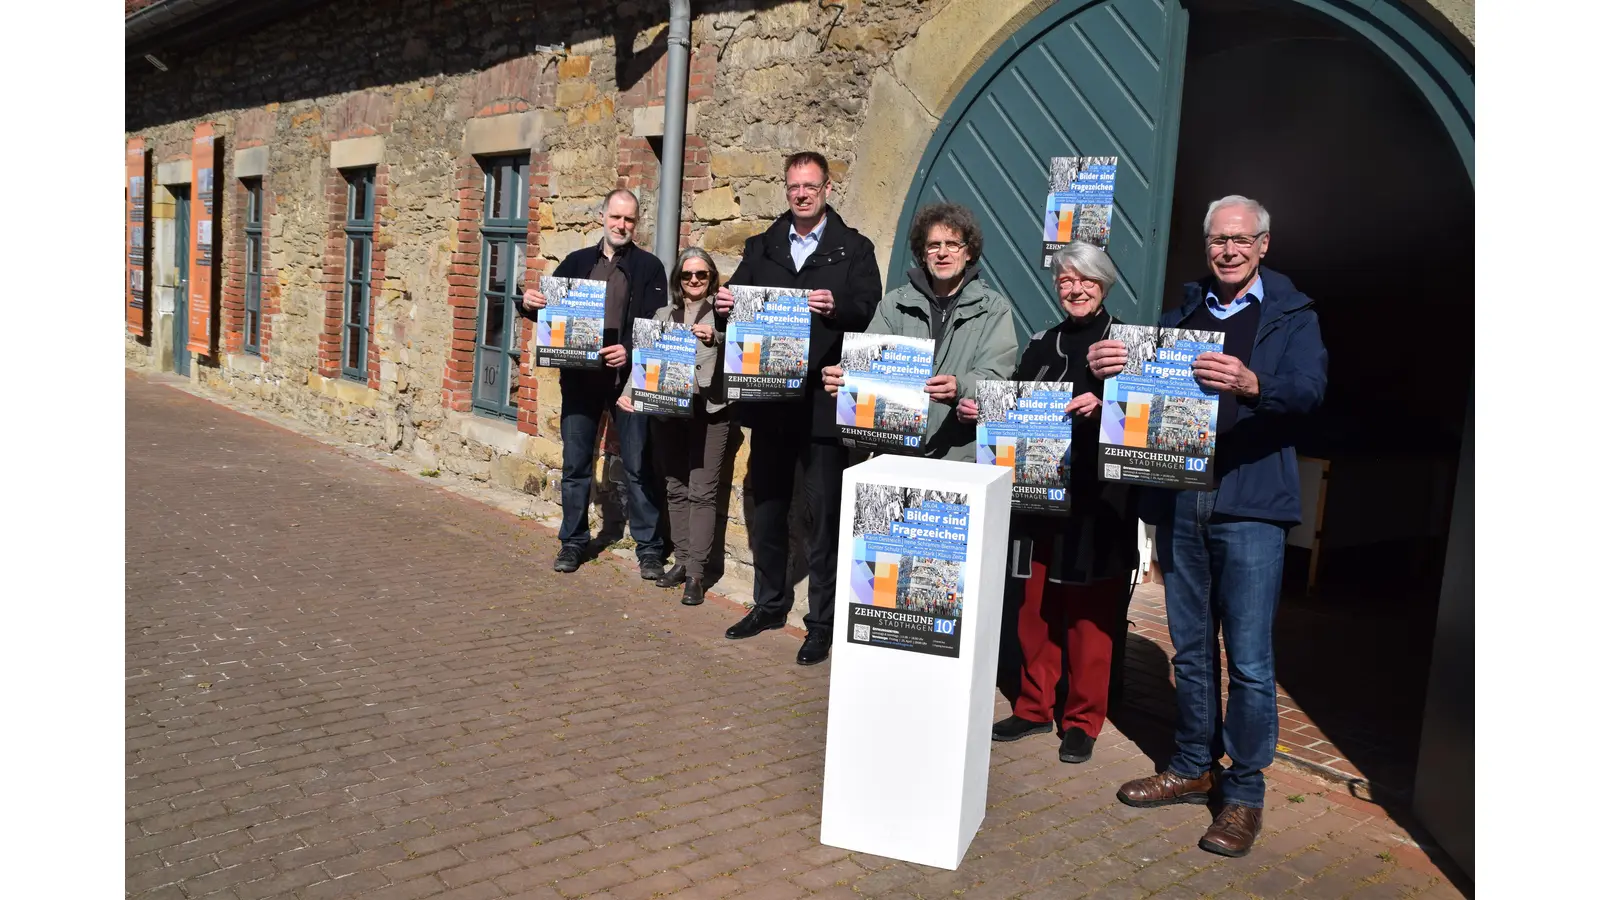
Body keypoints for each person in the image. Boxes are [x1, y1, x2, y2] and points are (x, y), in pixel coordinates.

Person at [1098, 196, 1327, 858]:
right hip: (1184, 497)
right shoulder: (1184, 316)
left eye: (1240, 240)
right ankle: (1193, 765)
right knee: (1191, 649)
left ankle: (1245, 794)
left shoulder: (1292, 315)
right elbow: (1148, 398)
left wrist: (1254, 383)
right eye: (1218, 241)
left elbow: (1310, 390)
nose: (1228, 250)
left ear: (1263, 245)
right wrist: (1114, 371)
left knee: (1249, 659)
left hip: (1252, 504)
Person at [955, 241, 1139, 765]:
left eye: (1086, 280)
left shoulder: (1128, 345)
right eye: (1065, 281)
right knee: (1034, 611)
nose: (1075, 289)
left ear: (1104, 284)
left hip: (1098, 501)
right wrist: (983, 412)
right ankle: (1034, 706)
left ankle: (1082, 720)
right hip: (1037, 499)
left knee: (1089, 617)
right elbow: (1014, 405)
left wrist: (1109, 407)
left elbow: (1148, 415)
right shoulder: (1042, 344)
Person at [712, 151, 883, 666]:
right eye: (794, 187)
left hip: (823, 403)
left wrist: (838, 308)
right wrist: (724, 306)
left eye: (810, 185)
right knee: (767, 507)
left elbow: (870, 311)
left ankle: (821, 624)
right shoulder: (762, 246)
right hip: (770, 400)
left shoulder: (853, 249)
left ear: (828, 188)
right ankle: (769, 604)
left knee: (823, 513)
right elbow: (736, 300)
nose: (802, 194)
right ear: (786, 190)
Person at [520, 188, 668, 581]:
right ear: (602, 216)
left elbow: (659, 325)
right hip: (581, 380)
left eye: (629, 219)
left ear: (637, 223)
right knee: (576, 464)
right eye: (616, 217)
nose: (621, 225)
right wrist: (529, 304)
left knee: (638, 465)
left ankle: (650, 549)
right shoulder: (576, 261)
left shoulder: (650, 267)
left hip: (628, 382)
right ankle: (573, 541)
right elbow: (550, 315)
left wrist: (630, 351)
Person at [820, 202, 1017, 461]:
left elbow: (997, 376)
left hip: (959, 454)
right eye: (933, 245)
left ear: (968, 252)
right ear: (923, 254)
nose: (942, 253)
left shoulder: (993, 308)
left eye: (952, 244)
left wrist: (960, 387)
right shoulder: (894, 304)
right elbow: (867, 365)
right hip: (896, 453)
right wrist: (844, 376)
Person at [617, 247, 728, 606]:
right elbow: (646, 360)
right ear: (678, 280)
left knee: (702, 491)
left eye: (701, 274)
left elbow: (745, 348)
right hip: (669, 411)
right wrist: (629, 393)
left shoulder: (724, 316)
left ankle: (696, 573)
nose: (694, 280)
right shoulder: (663, 315)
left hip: (710, 411)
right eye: (687, 274)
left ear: (711, 278)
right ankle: (680, 561)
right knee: (675, 487)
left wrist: (716, 337)